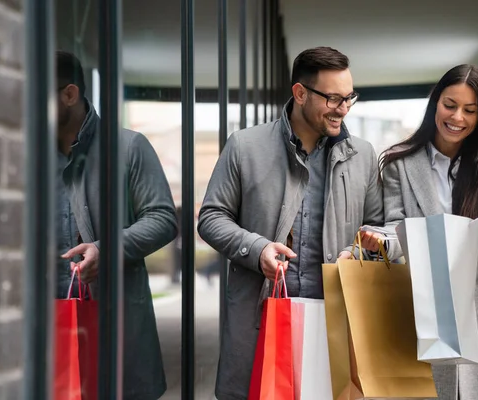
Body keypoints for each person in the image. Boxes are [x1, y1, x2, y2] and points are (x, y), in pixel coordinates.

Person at [197, 46, 385, 400]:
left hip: (338, 321)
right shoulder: (244, 146)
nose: (343, 109)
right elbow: (210, 217)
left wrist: (362, 248)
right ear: (300, 93)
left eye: (349, 98)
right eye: (332, 98)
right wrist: (258, 248)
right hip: (262, 318)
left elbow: (378, 226)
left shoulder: (363, 155)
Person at [369, 64, 478, 399]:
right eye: (450, 105)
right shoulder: (398, 163)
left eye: (470, 110)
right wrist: (382, 242)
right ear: (435, 102)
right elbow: (395, 228)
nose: (457, 117)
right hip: (432, 306)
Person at [55, 50, 178, 399]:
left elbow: (163, 219)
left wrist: (105, 249)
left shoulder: (128, 148)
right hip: (41, 324)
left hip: (113, 320)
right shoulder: (23, 153)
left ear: (69, 94)